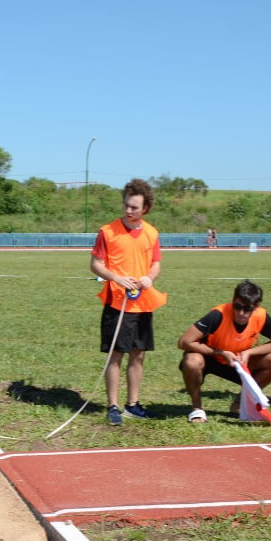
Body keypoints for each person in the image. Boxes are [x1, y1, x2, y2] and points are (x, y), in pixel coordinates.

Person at [90, 178, 167, 425]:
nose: (128, 210)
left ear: (145, 208)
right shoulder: (107, 231)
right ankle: (112, 406)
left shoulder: (152, 233)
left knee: (139, 354)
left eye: (134, 207)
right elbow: (95, 264)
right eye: (126, 205)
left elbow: (156, 264)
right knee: (116, 355)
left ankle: (132, 405)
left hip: (142, 303)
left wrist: (148, 278)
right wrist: (117, 278)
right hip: (117, 302)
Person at [177, 280, 271, 423]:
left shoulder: (261, 316)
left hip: (238, 361)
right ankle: (197, 409)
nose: (241, 313)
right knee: (192, 361)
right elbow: (184, 342)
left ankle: (240, 404)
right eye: (237, 307)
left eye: (247, 309)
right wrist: (220, 352)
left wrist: (249, 353)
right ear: (233, 301)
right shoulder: (218, 314)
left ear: (256, 307)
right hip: (210, 357)